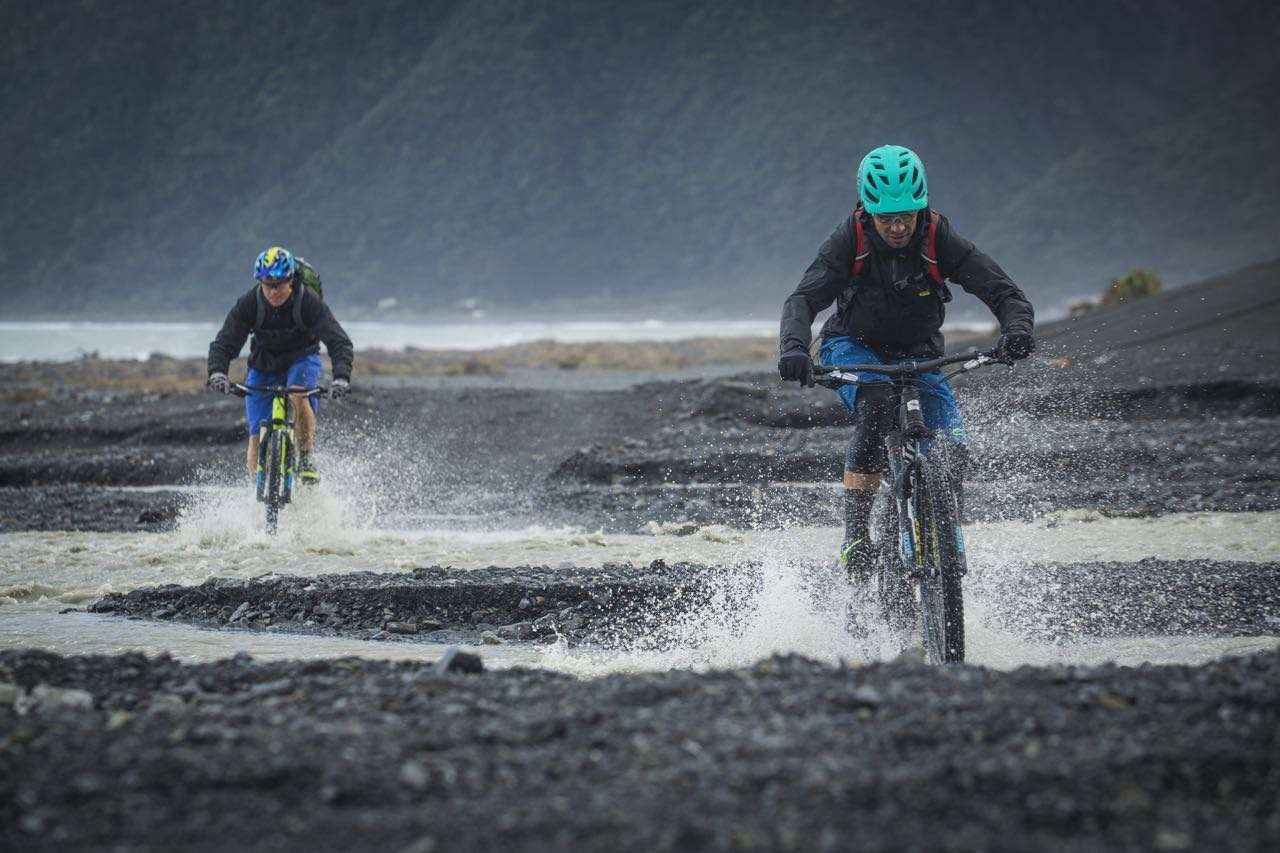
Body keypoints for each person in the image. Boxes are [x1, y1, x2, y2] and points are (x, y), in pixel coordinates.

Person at [777, 144, 1035, 578]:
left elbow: (1002, 291)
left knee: (953, 454)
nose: (897, 227)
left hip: (920, 356)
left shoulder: (938, 237)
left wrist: (1017, 331)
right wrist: (794, 349)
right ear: (867, 209)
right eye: (886, 218)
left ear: (922, 207)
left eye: (907, 216)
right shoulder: (848, 240)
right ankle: (856, 535)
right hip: (852, 347)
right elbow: (803, 299)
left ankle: (925, 534)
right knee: (877, 403)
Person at [206, 246, 354, 486]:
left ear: (290, 281)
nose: (273, 291)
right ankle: (257, 495)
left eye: (279, 285)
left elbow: (339, 342)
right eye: (267, 284)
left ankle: (306, 459)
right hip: (264, 363)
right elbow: (225, 342)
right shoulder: (250, 303)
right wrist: (217, 372)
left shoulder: (307, 301)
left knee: (298, 393)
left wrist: (341, 377)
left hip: (302, 358)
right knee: (255, 436)